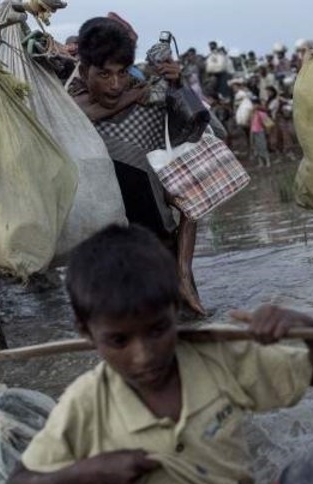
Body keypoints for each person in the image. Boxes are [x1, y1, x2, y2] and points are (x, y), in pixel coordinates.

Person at [3, 224, 313, 484]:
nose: (143, 356)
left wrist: (308, 330)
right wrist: (89, 474)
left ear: (177, 308)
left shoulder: (220, 356)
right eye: (119, 340)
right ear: (86, 332)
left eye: (157, 330)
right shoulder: (87, 401)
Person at [74, 17, 207, 316]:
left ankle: (184, 284)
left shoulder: (147, 95)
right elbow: (85, 111)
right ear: (84, 71)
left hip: (155, 224)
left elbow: (194, 125)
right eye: (104, 74)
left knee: (184, 316)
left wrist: (176, 83)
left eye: (121, 73)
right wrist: (137, 94)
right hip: (107, 236)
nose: (115, 84)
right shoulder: (65, 102)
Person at [248, 95, 272, 168]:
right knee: (256, 147)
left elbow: (267, 121)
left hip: (260, 131)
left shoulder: (260, 113)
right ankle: (260, 162)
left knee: (262, 146)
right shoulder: (252, 113)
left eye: (255, 104)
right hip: (253, 131)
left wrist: (267, 130)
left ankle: (267, 161)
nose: (253, 106)